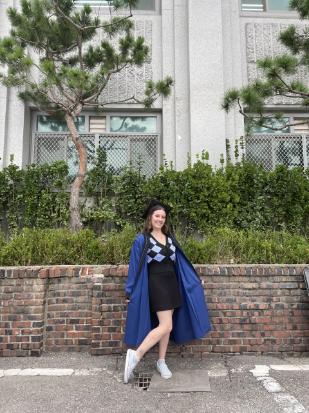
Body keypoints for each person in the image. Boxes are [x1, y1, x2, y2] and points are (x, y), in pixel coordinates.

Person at [123, 199, 211, 384]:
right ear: (150, 218)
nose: (160, 219)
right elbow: (135, 266)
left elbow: (180, 263)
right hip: (156, 285)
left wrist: (193, 280)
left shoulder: (170, 239)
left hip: (172, 284)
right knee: (167, 325)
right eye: (157, 216)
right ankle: (135, 355)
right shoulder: (142, 240)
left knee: (167, 326)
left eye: (163, 217)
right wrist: (129, 291)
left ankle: (161, 362)